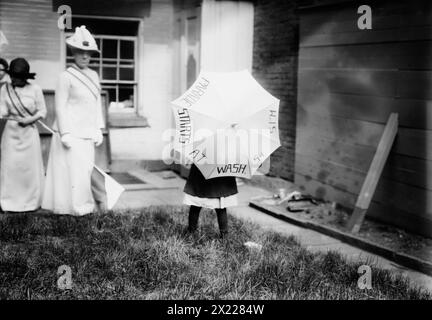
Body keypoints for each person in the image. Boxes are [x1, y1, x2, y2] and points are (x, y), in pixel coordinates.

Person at [42, 26, 104, 216]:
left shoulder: (94, 75)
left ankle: (84, 206)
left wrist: (99, 128)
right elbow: (60, 106)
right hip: (71, 132)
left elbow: (96, 104)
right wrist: (65, 131)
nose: (85, 57)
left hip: (87, 131)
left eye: (88, 53)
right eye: (80, 53)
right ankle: (68, 208)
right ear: (73, 53)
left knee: (85, 172)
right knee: (69, 172)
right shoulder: (65, 76)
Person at [0, 57, 46, 212]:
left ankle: (30, 203)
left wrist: (29, 120)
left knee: (29, 169)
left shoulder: (35, 89)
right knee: (11, 167)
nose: (14, 80)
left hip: (29, 133)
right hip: (11, 134)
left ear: (26, 77)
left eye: (18, 77)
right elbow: (3, 111)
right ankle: (9, 203)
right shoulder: (5, 89)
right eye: (12, 76)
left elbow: (42, 111)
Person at [183, 163, 238, 238]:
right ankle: (191, 231)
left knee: (199, 204)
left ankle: (224, 234)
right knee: (217, 206)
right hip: (212, 172)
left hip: (213, 171)